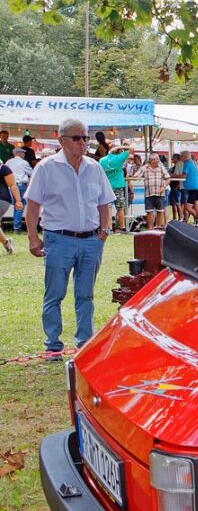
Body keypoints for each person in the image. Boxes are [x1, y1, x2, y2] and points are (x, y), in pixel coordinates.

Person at [24, 118, 115, 360]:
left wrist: (104, 232)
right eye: (77, 138)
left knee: (86, 294)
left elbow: (105, 203)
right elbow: (32, 207)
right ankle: (53, 346)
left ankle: (84, 344)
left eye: (85, 137)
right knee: (55, 294)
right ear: (61, 140)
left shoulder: (94, 168)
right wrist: (33, 238)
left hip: (91, 241)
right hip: (58, 240)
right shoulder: (46, 167)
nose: (83, 143)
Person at [98, 140, 133, 233]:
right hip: (118, 186)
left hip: (106, 186)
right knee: (120, 208)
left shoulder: (102, 160)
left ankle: (108, 228)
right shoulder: (119, 159)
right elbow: (131, 149)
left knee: (108, 208)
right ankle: (121, 227)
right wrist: (119, 147)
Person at [135, 153, 170, 229]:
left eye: (158, 159)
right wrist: (133, 176)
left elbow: (168, 178)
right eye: (156, 159)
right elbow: (136, 176)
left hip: (160, 193)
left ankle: (158, 228)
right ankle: (150, 229)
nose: (158, 161)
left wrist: (164, 187)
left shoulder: (161, 167)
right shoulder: (144, 168)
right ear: (151, 160)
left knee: (160, 211)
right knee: (149, 212)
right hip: (149, 193)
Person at [6, 146, 33, 233]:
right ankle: (17, 228)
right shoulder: (24, 162)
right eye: (23, 153)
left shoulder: (8, 162)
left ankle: (15, 226)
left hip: (10, 186)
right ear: (19, 153)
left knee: (13, 206)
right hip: (21, 186)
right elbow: (31, 173)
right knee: (19, 206)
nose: (24, 154)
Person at [0, 159, 23, 253]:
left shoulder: (3, 168)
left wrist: (18, 200)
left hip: (2, 198)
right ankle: (6, 242)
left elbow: (13, 185)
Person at [180, 150, 198, 225]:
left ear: (185, 157)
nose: (180, 157)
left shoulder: (187, 163)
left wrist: (173, 176)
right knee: (197, 205)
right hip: (197, 187)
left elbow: (184, 176)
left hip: (194, 189)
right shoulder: (192, 163)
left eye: (181, 156)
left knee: (187, 207)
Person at [168, 153, 184, 221]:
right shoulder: (174, 167)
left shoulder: (178, 164)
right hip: (174, 186)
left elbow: (177, 175)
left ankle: (180, 217)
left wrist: (170, 175)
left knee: (177, 202)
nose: (172, 159)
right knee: (174, 203)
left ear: (176, 158)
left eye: (173, 158)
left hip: (176, 186)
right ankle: (175, 217)